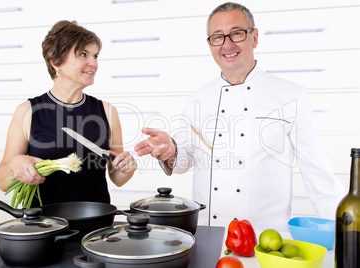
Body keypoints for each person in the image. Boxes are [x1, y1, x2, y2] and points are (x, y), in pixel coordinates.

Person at [134, 2, 345, 231]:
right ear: (209, 44)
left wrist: (346, 231)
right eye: (218, 37)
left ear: (254, 37)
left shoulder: (291, 95)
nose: (227, 45)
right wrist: (172, 152)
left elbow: (316, 171)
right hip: (208, 234)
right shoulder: (198, 99)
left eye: (236, 34)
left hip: (266, 239)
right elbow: (185, 160)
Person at [0, 20, 137, 205]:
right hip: (43, 226)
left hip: (95, 223)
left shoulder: (107, 111)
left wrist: (127, 167)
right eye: (83, 55)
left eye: (95, 56)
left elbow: (117, 177)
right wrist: (16, 165)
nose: (93, 63)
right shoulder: (27, 111)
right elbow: (1, 181)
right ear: (55, 61)